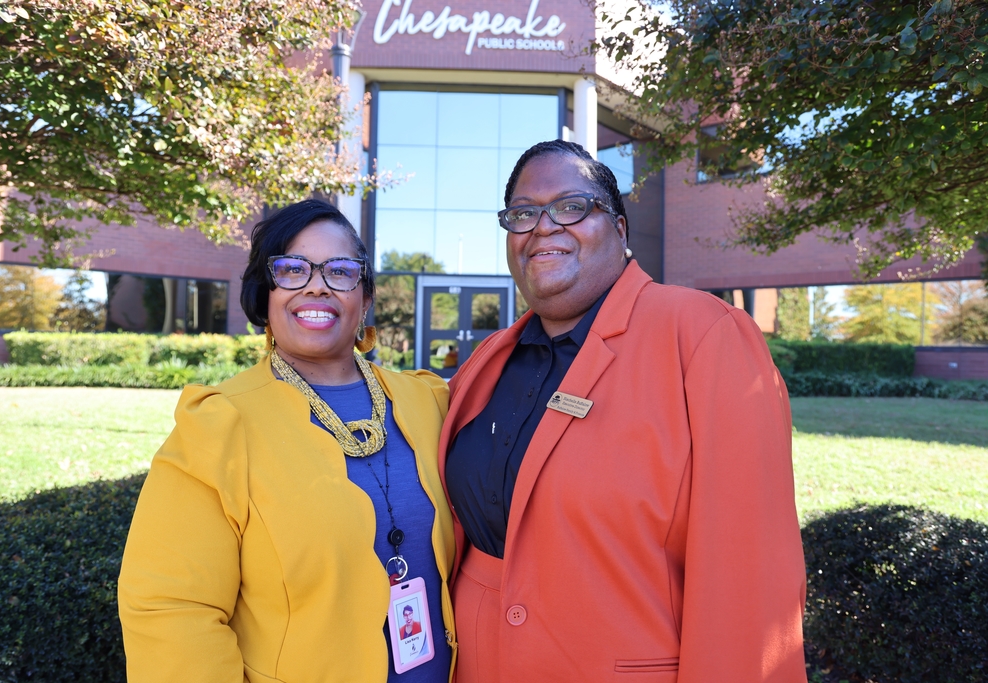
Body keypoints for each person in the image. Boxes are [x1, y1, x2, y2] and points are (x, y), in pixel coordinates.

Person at [440, 141, 807, 683]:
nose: (543, 226)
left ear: (619, 228)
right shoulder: (486, 363)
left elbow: (749, 572)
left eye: (571, 207)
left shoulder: (701, 336)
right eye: (522, 214)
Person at [118, 200, 457, 683]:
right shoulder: (220, 425)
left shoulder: (430, 403)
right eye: (293, 269)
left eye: (340, 270)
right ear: (265, 292)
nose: (317, 285)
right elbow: (170, 610)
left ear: (364, 296)